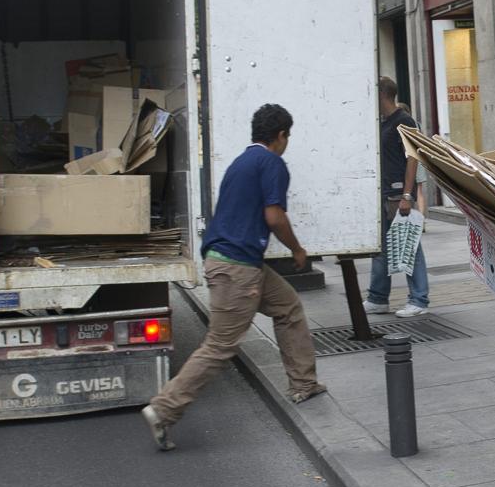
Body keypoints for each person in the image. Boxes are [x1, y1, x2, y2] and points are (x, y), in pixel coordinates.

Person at [141, 104, 326, 451]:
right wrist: (298, 250)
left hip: (237, 262)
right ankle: (164, 408)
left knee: (289, 307)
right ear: (281, 135)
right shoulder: (272, 163)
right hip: (237, 266)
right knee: (220, 345)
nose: (287, 143)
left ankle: (304, 383)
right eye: (288, 136)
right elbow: (274, 216)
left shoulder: (241, 162)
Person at [364, 77, 430, 318]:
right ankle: (378, 297)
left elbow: (413, 158)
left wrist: (407, 194)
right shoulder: (381, 122)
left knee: (409, 245)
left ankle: (419, 299)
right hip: (384, 193)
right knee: (381, 247)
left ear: (382, 93)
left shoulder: (404, 120)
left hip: (397, 194)